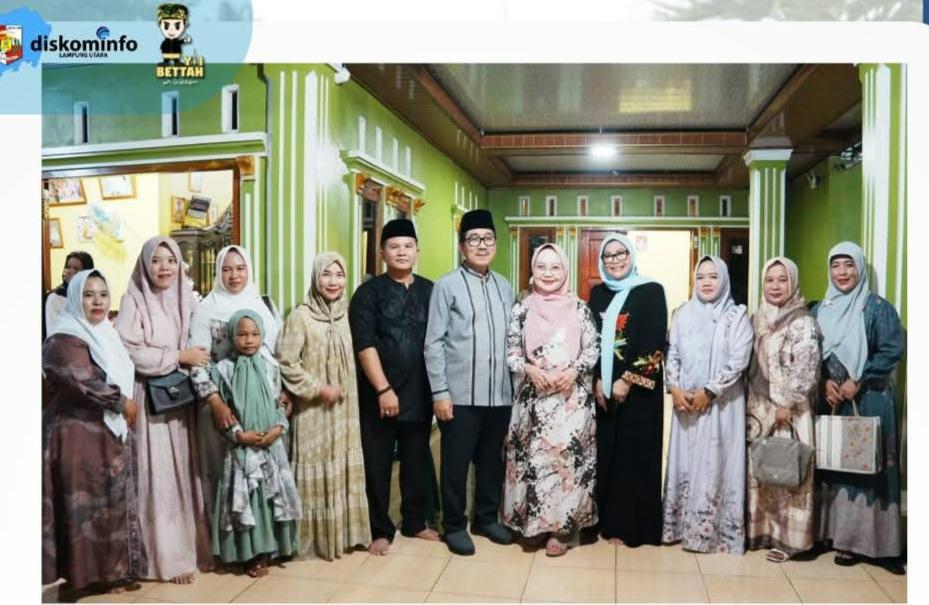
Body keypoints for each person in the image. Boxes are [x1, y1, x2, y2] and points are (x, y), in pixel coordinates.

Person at [42, 269, 146, 598]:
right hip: (76, 436)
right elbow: (80, 379)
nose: (97, 301)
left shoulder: (105, 334)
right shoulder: (63, 337)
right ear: (75, 298)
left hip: (106, 434)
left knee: (108, 503)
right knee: (81, 506)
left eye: (103, 294)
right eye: (88, 295)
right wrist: (122, 401)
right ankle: (78, 579)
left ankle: (107, 574)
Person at [115, 236, 212, 583]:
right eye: (156, 261)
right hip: (151, 400)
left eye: (170, 260)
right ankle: (164, 560)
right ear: (145, 265)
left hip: (182, 399)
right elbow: (128, 350)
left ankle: (190, 549)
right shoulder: (133, 300)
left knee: (184, 472)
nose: (164, 267)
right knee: (157, 475)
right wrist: (177, 357)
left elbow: (202, 341)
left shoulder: (187, 298)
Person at [425, 209, 515, 556]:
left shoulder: (505, 287)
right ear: (462, 246)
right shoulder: (446, 286)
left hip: (499, 394)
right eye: (473, 239)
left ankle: (486, 518)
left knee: (492, 461)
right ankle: (453, 525)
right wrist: (440, 392)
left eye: (488, 238)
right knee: (455, 464)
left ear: (496, 244)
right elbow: (433, 343)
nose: (481, 245)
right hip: (459, 394)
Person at [501, 243, 599, 556]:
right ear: (532, 270)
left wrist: (572, 372)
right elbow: (512, 353)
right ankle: (533, 525)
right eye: (541, 266)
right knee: (533, 463)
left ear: (565, 271)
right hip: (533, 402)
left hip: (570, 403)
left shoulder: (579, 308)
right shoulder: (522, 309)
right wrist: (529, 369)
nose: (548, 273)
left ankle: (561, 530)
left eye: (555, 267)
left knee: (565, 465)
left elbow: (592, 350)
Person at [349, 219, 440, 556]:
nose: (402, 252)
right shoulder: (368, 293)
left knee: (417, 460)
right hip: (380, 394)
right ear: (381, 253)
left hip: (420, 392)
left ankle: (415, 521)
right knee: (378, 463)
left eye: (407, 246)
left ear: (417, 251)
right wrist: (383, 389)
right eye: (394, 246)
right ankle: (380, 529)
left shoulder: (431, 291)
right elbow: (364, 343)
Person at [813, 242, 905, 574]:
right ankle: (837, 537)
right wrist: (824, 381)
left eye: (849, 265)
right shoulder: (819, 310)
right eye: (835, 265)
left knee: (870, 466)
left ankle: (878, 545)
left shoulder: (877, 308)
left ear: (860, 268)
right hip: (833, 400)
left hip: (870, 399)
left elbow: (892, 349)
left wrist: (860, 379)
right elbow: (812, 351)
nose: (842, 272)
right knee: (834, 465)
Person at [277, 252, 371, 560]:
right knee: (314, 462)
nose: (333, 281)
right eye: (326, 274)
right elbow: (287, 362)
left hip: (346, 409)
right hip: (313, 410)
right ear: (315, 278)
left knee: (343, 463)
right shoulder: (300, 317)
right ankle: (313, 541)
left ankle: (348, 536)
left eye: (339, 274)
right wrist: (318, 389)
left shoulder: (348, 314)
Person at [662, 256, 753, 554]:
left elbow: (738, 361)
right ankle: (679, 528)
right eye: (700, 277)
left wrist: (710, 391)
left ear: (723, 279)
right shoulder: (682, 314)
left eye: (713, 276)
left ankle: (711, 535)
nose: (706, 282)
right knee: (686, 462)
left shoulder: (736, 316)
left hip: (721, 406)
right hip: (686, 406)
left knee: (715, 463)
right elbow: (673, 353)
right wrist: (674, 388)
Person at [188, 245, 286, 518]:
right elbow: (197, 363)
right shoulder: (206, 310)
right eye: (227, 269)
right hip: (222, 405)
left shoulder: (263, 306)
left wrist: (284, 397)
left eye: (240, 268)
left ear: (249, 270)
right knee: (225, 477)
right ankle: (227, 538)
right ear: (218, 272)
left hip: (262, 405)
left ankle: (263, 537)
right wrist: (217, 404)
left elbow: (278, 356)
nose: (234, 276)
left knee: (263, 476)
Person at [586, 233, 666, 547]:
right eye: (609, 255)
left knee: (634, 456)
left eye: (621, 253)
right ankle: (605, 520)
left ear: (631, 256)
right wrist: (597, 379)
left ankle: (632, 528)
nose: (615, 260)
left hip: (639, 393)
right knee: (607, 454)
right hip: (604, 390)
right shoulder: (598, 294)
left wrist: (627, 380)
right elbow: (591, 339)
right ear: (602, 261)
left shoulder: (651, 291)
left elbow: (655, 343)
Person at [209, 310, 300, 577]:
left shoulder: (271, 366)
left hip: (271, 445)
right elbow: (222, 415)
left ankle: (274, 549)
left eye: (254, 334)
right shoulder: (223, 370)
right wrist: (238, 435)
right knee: (246, 499)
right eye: (242, 334)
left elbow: (281, 402)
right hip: (242, 447)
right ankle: (249, 554)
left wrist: (278, 428)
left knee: (271, 497)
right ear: (231, 336)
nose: (249, 340)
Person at [746, 257, 821, 562]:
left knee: (790, 471)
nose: (775, 286)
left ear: (793, 283)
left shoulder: (803, 321)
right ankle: (762, 532)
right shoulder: (758, 318)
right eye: (770, 280)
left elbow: (807, 366)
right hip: (758, 408)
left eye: (782, 280)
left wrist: (787, 402)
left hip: (790, 410)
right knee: (762, 472)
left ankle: (790, 541)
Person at [43, 250, 94, 341]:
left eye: (76, 269)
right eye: (68, 267)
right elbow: (54, 333)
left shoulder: (92, 297)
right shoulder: (56, 298)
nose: (70, 271)